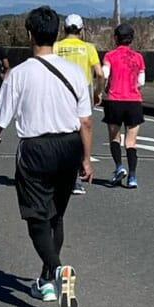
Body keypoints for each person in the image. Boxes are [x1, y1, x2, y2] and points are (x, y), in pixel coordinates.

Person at [0, 6, 93, 307]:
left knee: (36, 218)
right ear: (56, 33)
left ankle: (57, 270)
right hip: (70, 146)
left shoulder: (20, 74)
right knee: (57, 216)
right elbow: (87, 123)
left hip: (35, 149)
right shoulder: (75, 72)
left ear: (29, 34)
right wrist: (87, 159)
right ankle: (45, 281)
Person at [52, 14, 104, 195]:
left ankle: (57, 176)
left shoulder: (56, 46)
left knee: (59, 134)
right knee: (81, 134)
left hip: (59, 95)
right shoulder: (89, 48)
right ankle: (76, 178)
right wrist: (98, 93)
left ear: (64, 29)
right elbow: (100, 73)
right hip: (82, 95)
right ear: (81, 30)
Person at [102, 23, 147, 188]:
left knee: (115, 138)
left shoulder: (110, 56)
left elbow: (105, 75)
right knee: (131, 142)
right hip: (134, 101)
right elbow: (141, 81)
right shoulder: (138, 58)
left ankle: (119, 167)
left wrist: (101, 90)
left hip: (114, 100)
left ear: (115, 38)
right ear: (131, 39)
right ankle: (133, 176)